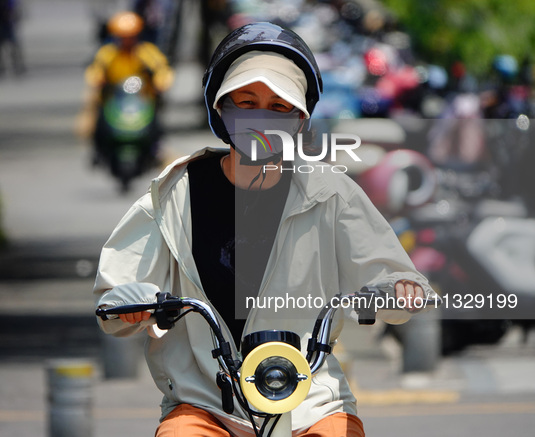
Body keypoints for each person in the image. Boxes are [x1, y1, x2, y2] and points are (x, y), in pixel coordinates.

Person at [94, 22, 435, 437]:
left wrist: (401, 288)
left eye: (278, 107)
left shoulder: (333, 194)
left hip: (311, 401)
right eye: (246, 102)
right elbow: (117, 297)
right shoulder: (172, 194)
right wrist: (134, 303)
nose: (260, 118)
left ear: (300, 119)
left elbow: (393, 276)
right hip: (204, 404)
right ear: (220, 108)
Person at [76, 11, 174, 157]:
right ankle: (99, 151)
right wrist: (98, 80)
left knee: (156, 124)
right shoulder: (108, 53)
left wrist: (160, 83)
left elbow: (163, 70)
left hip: (143, 100)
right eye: (123, 37)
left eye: (131, 36)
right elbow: (95, 69)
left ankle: (154, 150)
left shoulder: (147, 52)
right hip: (114, 100)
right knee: (99, 122)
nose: (127, 40)